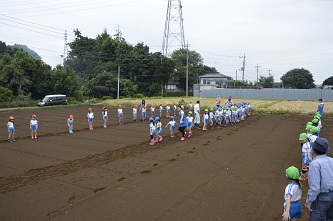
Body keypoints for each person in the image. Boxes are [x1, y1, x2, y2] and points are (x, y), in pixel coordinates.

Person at [305, 137, 333, 221]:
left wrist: (308, 201)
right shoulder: (331, 160)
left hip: (321, 198)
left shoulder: (315, 164)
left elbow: (315, 188)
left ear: (314, 149)